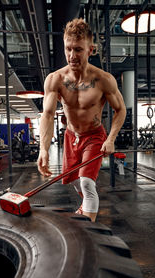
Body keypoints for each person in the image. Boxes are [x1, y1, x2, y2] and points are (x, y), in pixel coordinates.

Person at [37, 18, 126, 222]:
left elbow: (120, 110)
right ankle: (87, 204)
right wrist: (43, 149)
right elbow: (48, 114)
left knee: (86, 183)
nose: (71, 55)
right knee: (75, 181)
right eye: (68, 49)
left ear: (91, 50)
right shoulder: (55, 79)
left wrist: (111, 138)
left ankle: (90, 232)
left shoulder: (103, 80)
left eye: (78, 49)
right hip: (71, 137)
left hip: (94, 136)